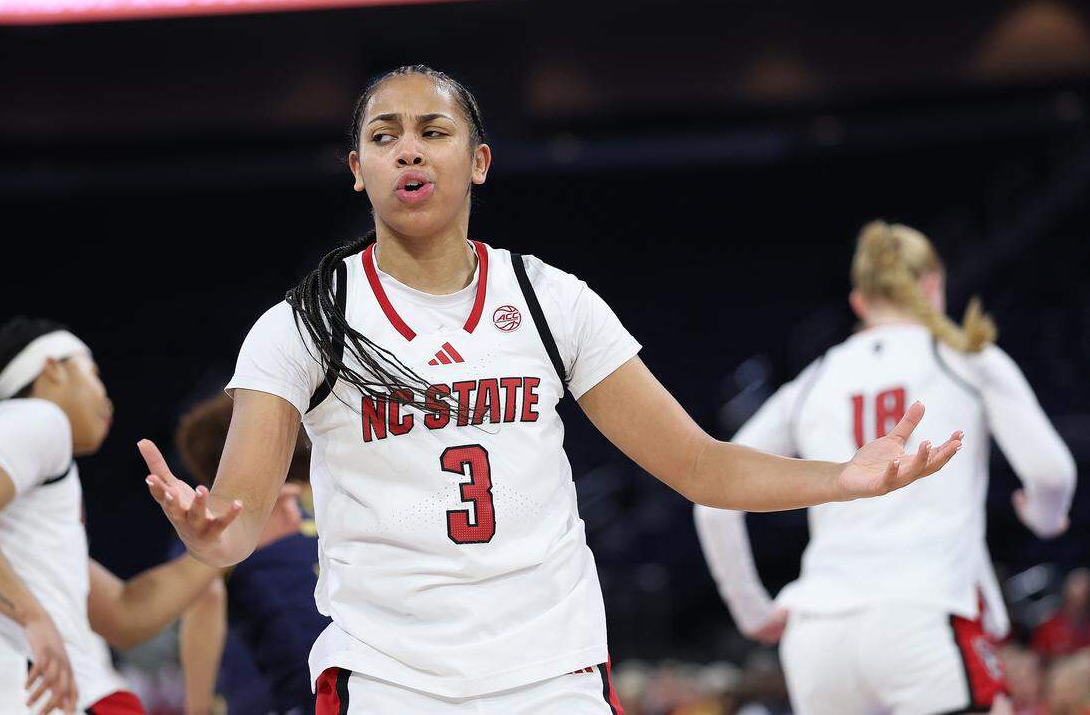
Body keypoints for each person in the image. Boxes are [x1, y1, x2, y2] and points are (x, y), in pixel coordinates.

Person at [139, 65, 963, 714]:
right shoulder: (303, 324)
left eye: (434, 131)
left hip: (550, 672)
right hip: (388, 678)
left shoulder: (551, 301)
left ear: (479, 161)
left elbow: (700, 466)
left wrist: (841, 480)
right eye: (384, 137)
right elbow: (238, 527)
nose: (408, 151)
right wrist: (208, 534)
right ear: (359, 170)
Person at [694, 221, 1077, 715]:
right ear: (933, 284)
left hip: (819, 632)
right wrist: (1044, 515)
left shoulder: (813, 380)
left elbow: (715, 497)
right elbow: (1051, 472)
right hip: (923, 611)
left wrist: (753, 611)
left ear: (859, 302)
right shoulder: (965, 356)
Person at [0, 317, 222, 713]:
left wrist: (229, 543)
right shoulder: (36, 416)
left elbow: (125, 615)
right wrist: (33, 617)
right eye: (93, 373)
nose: (107, 399)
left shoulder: (14, 525)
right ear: (52, 368)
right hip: (32, 691)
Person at [175, 392, 323, 715]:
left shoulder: (225, 524)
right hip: (363, 686)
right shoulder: (331, 496)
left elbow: (205, 597)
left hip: (311, 693)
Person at [1032, 568, 1090, 662]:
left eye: (1084, 596)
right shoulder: (1049, 625)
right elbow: (1039, 658)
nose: (1077, 603)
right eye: (1073, 598)